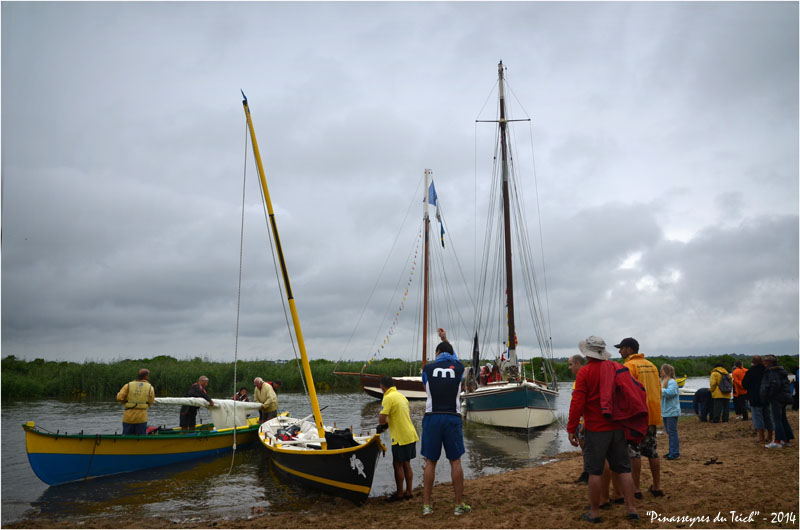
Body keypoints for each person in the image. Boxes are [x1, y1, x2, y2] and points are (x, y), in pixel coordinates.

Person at [568, 336, 639, 523]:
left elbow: (577, 402)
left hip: (596, 428)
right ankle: (632, 509)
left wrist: (572, 427)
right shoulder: (615, 368)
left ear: (588, 353)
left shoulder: (585, 372)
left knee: (595, 471)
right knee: (624, 469)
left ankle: (595, 512)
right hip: (617, 426)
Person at [420, 338, 470, 516]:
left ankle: (427, 506)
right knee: (455, 461)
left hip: (432, 417)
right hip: (452, 417)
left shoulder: (427, 369)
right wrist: (445, 339)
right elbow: (456, 361)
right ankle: (458, 505)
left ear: (438, 353)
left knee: (430, 462)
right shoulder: (459, 368)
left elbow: (425, 388)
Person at [616, 337, 662, 498]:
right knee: (652, 451)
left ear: (629, 349)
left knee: (633, 452)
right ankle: (657, 487)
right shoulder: (652, 365)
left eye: (621, 348)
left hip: (636, 415)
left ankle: (636, 489)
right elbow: (659, 390)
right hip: (652, 413)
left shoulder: (629, 366)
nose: (619, 351)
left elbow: (626, 391)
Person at [377, 375, 419, 502]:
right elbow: (404, 416)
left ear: (382, 386)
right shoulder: (402, 396)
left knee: (397, 464)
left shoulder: (388, 397)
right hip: (411, 434)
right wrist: (388, 425)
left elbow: (382, 418)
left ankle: (400, 493)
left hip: (400, 437)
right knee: (406, 462)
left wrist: (381, 427)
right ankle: (409, 492)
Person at [759, 355, 794, 448]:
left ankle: (777, 441)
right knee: (783, 418)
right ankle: (786, 439)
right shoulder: (781, 371)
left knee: (776, 419)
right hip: (784, 397)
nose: (764, 363)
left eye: (765, 361)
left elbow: (774, 385)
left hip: (776, 398)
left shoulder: (771, 372)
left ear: (769, 362)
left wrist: (767, 395)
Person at [742, 356, 773, 444]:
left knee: (757, 417)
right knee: (768, 416)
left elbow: (744, 384)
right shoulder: (767, 370)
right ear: (762, 361)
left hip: (755, 397)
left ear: (753, 362)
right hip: (766, 397)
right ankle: (770, 436)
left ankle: (761, 437)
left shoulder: (751, 371)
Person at [568, 353, 589, 484]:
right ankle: (587, 472)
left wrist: (582, 421)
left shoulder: (584, 378)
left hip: (584, 421)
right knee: (584, 449)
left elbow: (583, 403)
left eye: (571, 364)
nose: (569, 367)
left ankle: (589, 474)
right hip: (579, 421)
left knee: (587, 449)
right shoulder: (578, 380)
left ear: (578, 363)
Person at [116, 368, 155, 435]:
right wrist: (143, 406)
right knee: (141, 438)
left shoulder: (128, 385)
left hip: (128, 417)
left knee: (126, 438)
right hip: (141, 418)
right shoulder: (150, 387)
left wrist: (126, 403)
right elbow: (151, 402)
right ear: (146, 376)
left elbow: (119, 397)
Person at [660, 363, 680, 460]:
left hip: (672, 411)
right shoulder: (664, 382)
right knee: (670, 432)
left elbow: (671, 392)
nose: (660, 372)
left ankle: (675, 453)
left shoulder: (671, 382)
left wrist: (659, 390)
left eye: (662, 370)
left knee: (672, 432)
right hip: (666, 411)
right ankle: (672, 451)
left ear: (666, 371)